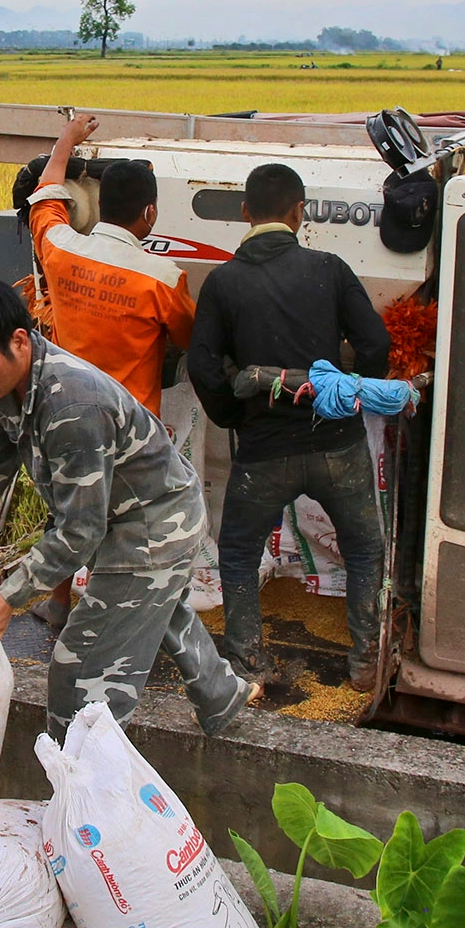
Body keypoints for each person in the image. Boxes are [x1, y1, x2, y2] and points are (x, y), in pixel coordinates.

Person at [0, 278, 259, 740]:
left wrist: (11, 596)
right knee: (152, 606)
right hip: (116, 513)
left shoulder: (73, 405)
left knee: (79, 671)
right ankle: (222, 695)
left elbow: (78, 530)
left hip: (154, 522)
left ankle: (84, 788)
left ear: (19, 342)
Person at [189, 163, 392, 693]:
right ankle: (365, 662)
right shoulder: (330, 268)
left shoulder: (223, 283)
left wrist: (235, 416)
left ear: (245, 213)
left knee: (235, 552)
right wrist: (346, 393)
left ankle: (249, 665)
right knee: (365, 548)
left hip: (261, 452)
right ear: (300, 212)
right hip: (338, 446)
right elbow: (376, 347)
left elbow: (203, 368)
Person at [17, 113, 199, 626]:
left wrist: (67, 139)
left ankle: (56, 602)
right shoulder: (163, 276)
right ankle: (112, 616)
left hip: (63, 413)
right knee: (128, 522)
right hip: (128, 425)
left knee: (68, 512)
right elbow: (189, 339)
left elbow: (46, 193)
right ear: (149, 214)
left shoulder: (59, 246)